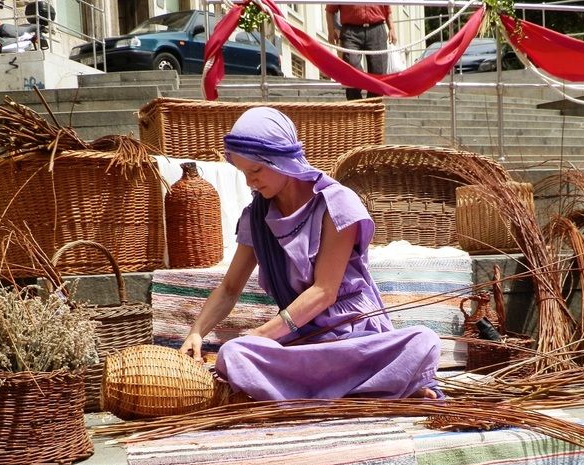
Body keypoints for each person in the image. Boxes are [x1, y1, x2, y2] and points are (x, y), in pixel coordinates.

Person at [180, 107, 442, 402]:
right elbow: (229, 289)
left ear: (280, 159)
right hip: (301, 344)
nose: (249, 183)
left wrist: (264, 334)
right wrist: (197, 332)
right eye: (243, 173)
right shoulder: (256, 216)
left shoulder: (336, 203)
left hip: (352, 337)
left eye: (256, 171)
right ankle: (370, 390)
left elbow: (324, 292)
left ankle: (318, 390)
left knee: (424, 342)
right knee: (233, 354)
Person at [325, 3, 396, 100]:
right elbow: (330, 10)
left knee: (379, 73)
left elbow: (387, 9)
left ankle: (371, 108)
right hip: (351, 32)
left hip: (377, 29)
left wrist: (392, 28)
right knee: (351, 70)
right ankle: (357, 108)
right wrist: (330, 31)